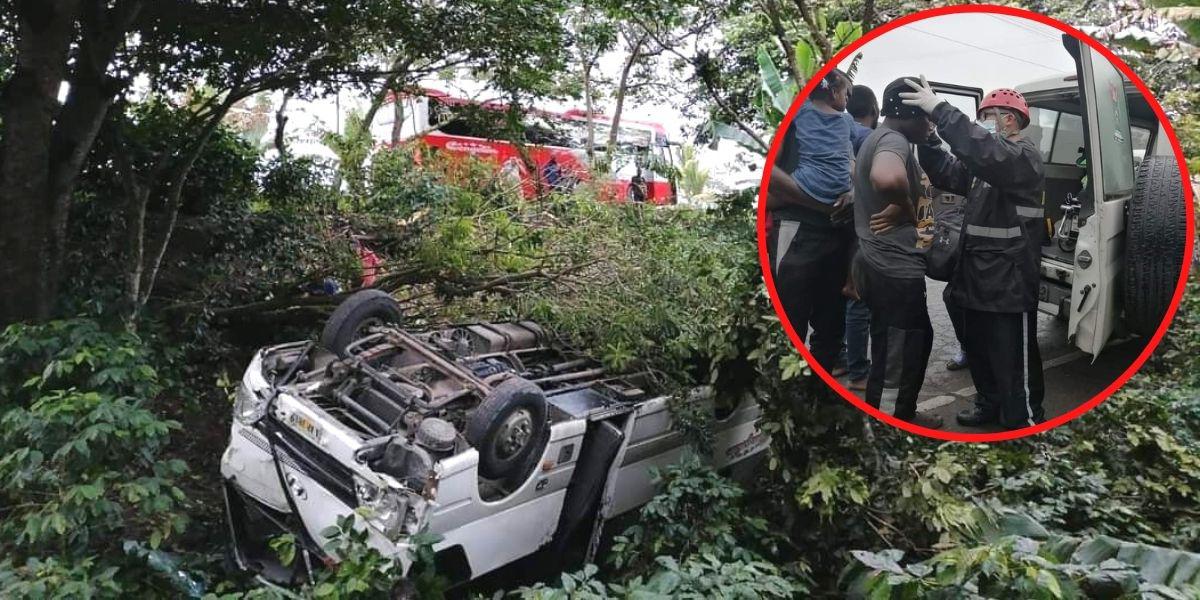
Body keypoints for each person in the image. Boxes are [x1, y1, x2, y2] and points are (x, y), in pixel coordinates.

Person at [898, 76, 1046, 429]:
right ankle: (989, 404)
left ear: (1009, 119)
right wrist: (932, 140)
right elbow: (949, 172)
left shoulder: (1023, 158)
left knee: (1013, 361)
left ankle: (1024, 422)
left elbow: (986, 151)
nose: (981, 123)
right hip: (976, 277)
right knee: (980, 353)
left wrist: (942, 111)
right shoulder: (985, 166)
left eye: (986, 116)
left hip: (1007, 284)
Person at [850, 77, 942, 429]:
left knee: (908, 343)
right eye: (928, 117)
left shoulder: (881, 136)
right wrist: (905, 207)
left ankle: (901, 414)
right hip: (892, 268)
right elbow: (887, 178)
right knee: (897, 353)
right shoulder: (893, 140)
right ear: (911, 114)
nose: (930, 125)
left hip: (884, 265)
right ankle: (889, 425)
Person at [765, 68, 855, 369]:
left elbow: (851, 164)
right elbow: (768, 177)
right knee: (790, 322)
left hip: (836, 233)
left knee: (831, 327)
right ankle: (784, 400)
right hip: (798, 231)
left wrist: (853, 192)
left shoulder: (843, 123)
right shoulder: (793, 117)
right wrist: (819, 204)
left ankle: (818, 396)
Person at [838, 84, 880, 390]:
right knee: (859, 299)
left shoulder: (837, 131)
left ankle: (841, 359)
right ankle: (858, 372)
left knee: (841, 295)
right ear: (875, 111)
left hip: (835, 225)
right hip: (861, 228)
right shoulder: (869, 138)